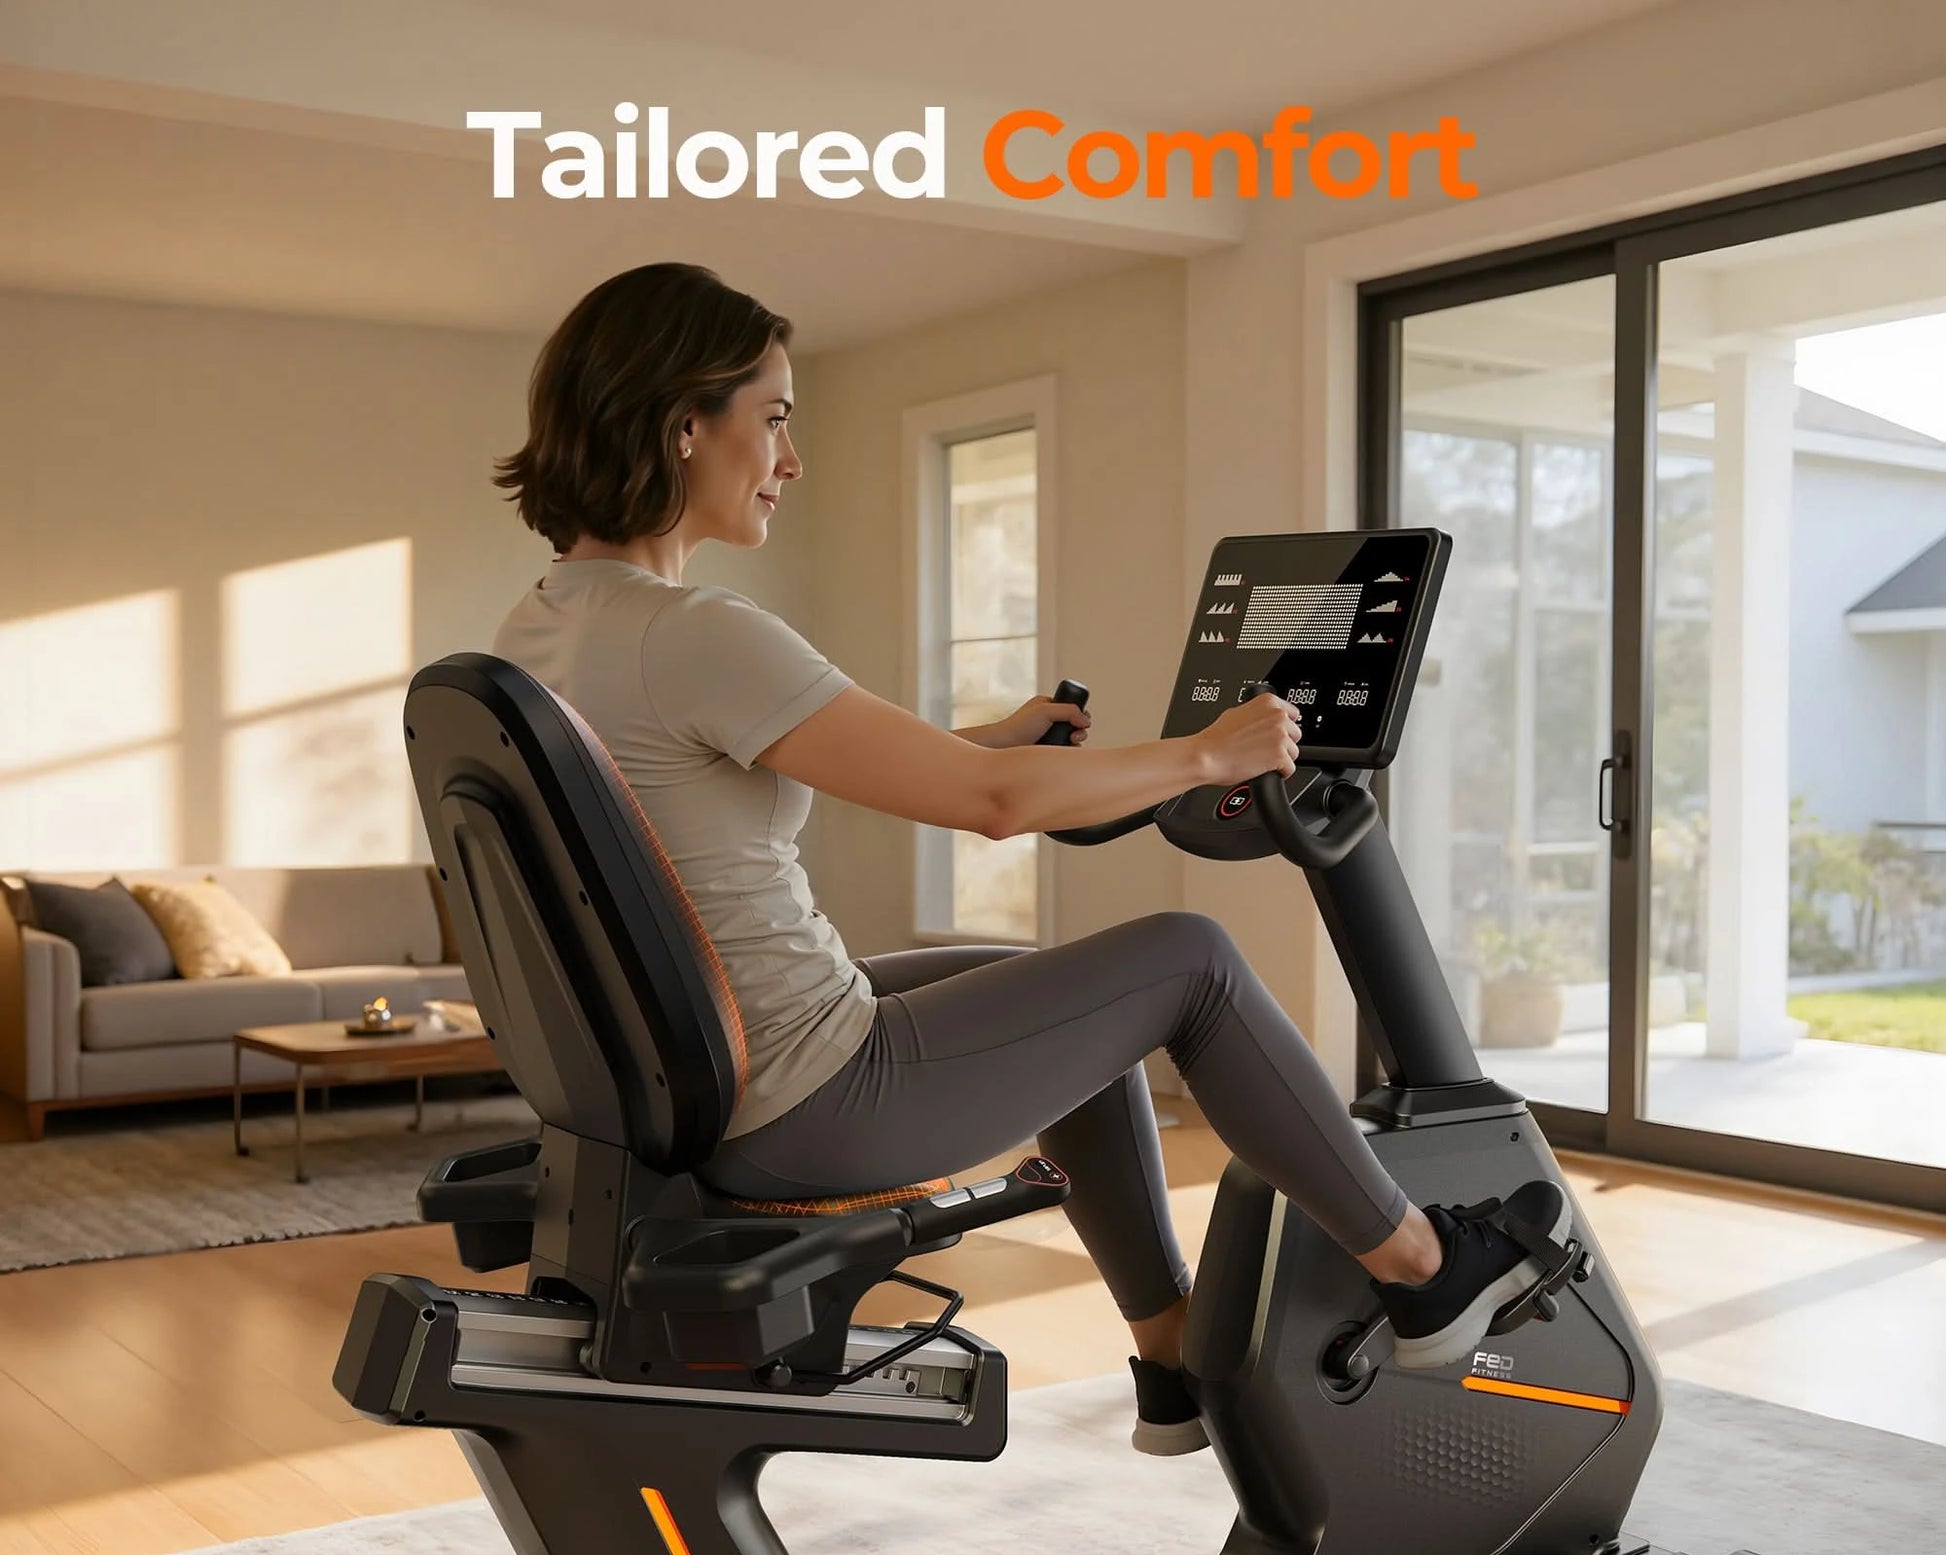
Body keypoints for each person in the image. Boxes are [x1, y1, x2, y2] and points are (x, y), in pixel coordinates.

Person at [489, 262, 1565, 1455]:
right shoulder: (694, 631)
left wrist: (984, 739)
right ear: (685, 422)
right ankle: (1424, 1271)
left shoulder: (549, 624)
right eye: (776, 416)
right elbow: (997, 807)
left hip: (700, 1065)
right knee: (1188, 960)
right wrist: (1205, 755)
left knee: (1061, 984)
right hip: (805, 1091)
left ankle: (1166, 1356)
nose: (791, 460)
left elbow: (737, 775)